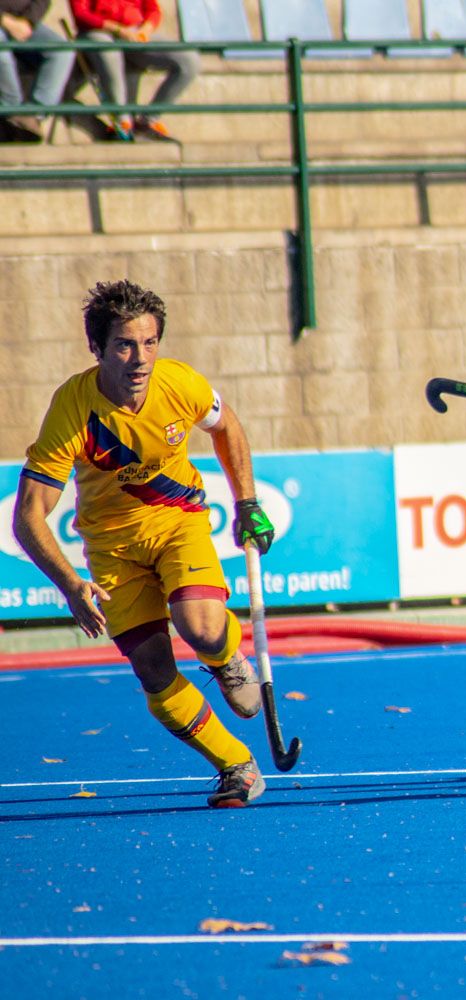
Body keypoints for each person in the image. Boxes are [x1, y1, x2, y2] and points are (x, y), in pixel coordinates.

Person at [12, 279, 278, 807]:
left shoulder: (180, 383)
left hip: (179, 523)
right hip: (112, 547)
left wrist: (246, 501)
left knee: (201, 629)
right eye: (125, 345)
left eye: (150, 343)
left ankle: (225, 657)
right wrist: (70, 583)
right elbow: (28, 516)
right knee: (154, 670)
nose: (140, 359)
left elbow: (227, 427)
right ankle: (236, 766)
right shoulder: (73, 408)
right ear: (97, 347)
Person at [69, 0, 199, 141]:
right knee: (108, 52)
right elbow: (81, 14)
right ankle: (122, 124)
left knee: (188, 60)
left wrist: (145, 30)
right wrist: (118, 30)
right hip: (98, 30)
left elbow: (153, 10)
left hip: (134, 31)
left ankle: (147, 122)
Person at [0, 0, 74, 141]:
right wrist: (6, 21)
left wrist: (28, 21)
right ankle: (12, 111)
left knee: (62, 50)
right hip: (4, 20)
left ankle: (33, 115)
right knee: (1, 52)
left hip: (22, 20)